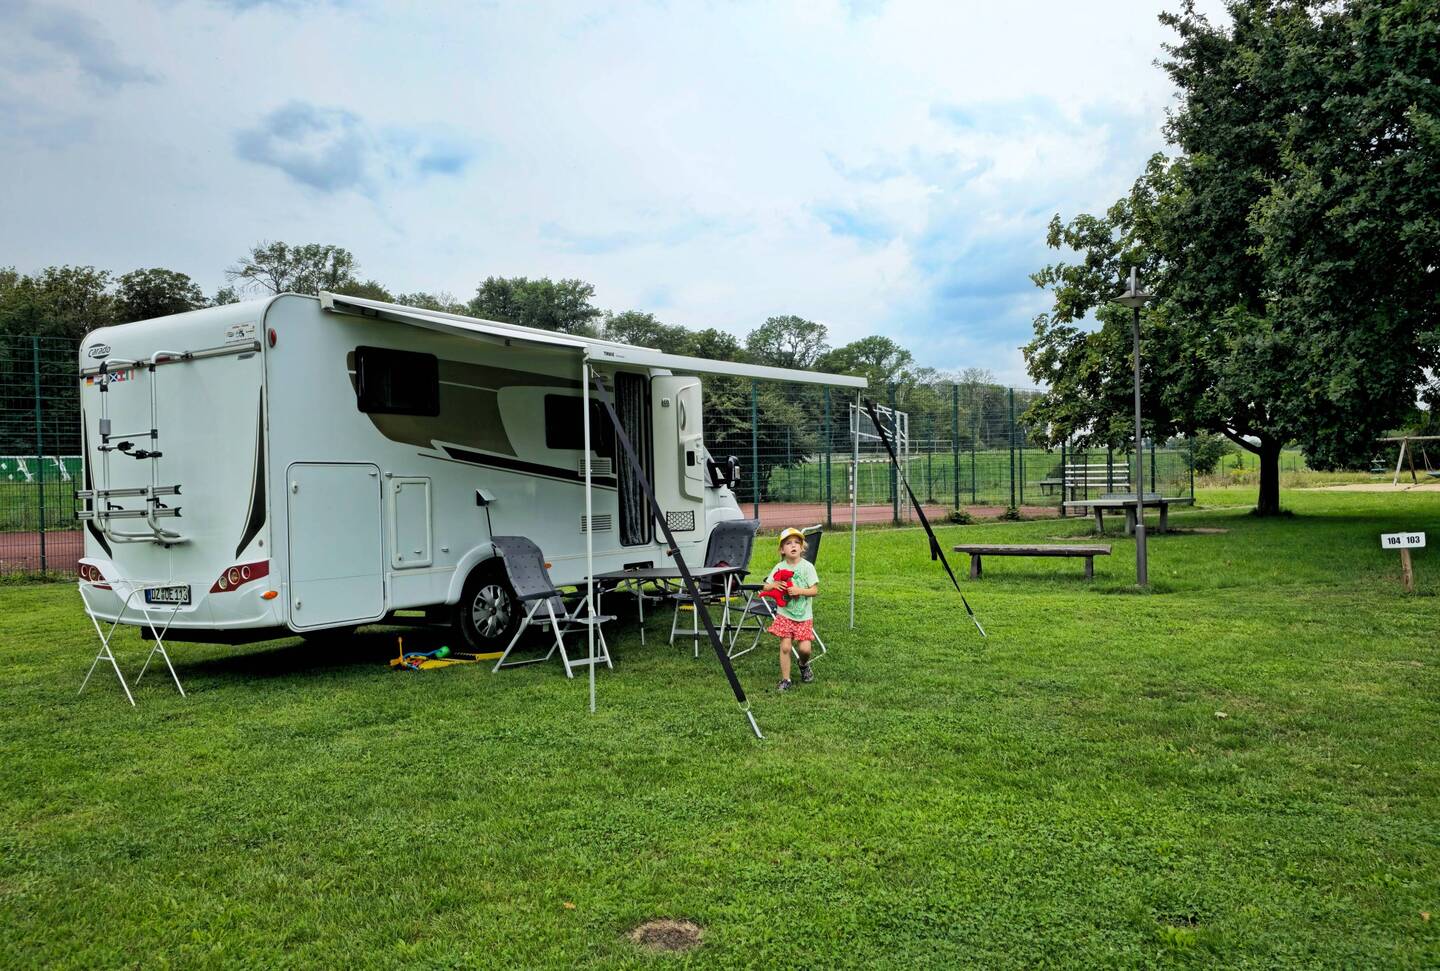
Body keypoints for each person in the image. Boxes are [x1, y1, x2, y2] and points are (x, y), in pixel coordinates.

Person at [763, 527, 819, 692]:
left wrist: (799, 591)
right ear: (782, 549)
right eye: (788, 543)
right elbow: (765, 586)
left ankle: (803, 664)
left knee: (805, 649)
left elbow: (814, 591)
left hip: (803, 616)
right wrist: (772, 585)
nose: (793, 546)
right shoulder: (779, 567)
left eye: (797, 543)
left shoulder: (807, 567)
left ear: (802, 547)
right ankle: (786, 679)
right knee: (786, 647)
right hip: (785, 614)